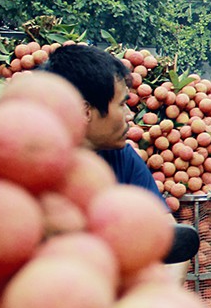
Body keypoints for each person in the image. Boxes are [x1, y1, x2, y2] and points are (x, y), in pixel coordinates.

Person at [43, 44, 164, 203]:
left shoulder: (123, 157)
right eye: (121, 105)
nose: (129, 115)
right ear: (85, 111)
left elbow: (164, 224)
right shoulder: (38, 169)